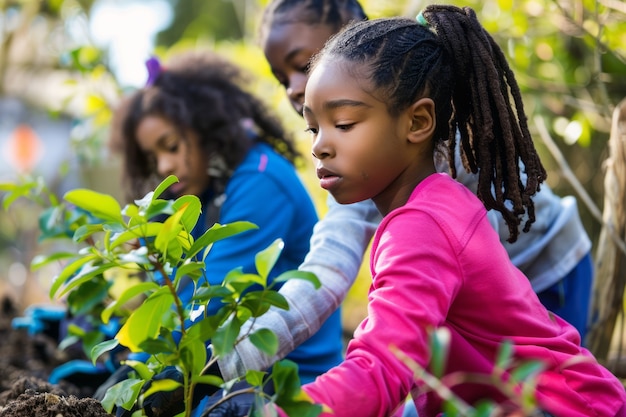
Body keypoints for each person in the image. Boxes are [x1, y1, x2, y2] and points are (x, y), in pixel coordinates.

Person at [213, 0, 595, 390]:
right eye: (283, 78)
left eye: (305, 63)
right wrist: (227, 360)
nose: (295, 87)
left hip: (544, 268)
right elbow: (325, 272)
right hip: (467, 296)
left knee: (535, 392)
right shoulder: (362, 165)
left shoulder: (447, 146)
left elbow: (466, 258)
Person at [291, 8, 626, 416]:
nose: (320, 146)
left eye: (343, 124)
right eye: (314, 127)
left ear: (418, 121)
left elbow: (380, 370)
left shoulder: (420, 227)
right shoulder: (438, 199)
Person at [93, 50, 345, 415]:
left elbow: (207, 313)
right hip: (230, 375)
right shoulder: (205, 193)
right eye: (153, 157)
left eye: (172, 146)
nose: (164, 166)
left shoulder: (260, 182)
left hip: (289, 387)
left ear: (205, 127)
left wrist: (130, 388)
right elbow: (177, 305)